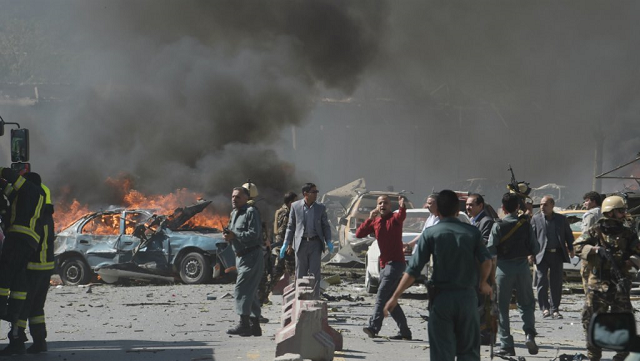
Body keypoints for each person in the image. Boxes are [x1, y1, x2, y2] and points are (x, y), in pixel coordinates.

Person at [384, 190, 492, 361]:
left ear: (438, 211)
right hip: (467, 300)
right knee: (469, 352)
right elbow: (487, 261)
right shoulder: (472, 233)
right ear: (458, 211)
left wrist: (395, 296)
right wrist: (484, 283)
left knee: (442, 352)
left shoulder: (431, 233)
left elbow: (413, 270)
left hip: (442, 301)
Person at [574, 195, 640, 361]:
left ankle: (621, 356)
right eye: (620, 211)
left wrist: (631, 260)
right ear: (610, 213)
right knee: (590, 319)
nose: (624, 214)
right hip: (597, 284)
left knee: (624, 322)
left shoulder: (628, 233)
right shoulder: (596, 231)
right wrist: (595, 250)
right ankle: (593, 355)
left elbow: (638, 253)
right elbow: (578, 247)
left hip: (620, 284)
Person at [1, 174, 54, 355]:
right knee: (36, 308)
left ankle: (16, 342)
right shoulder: (48, 217)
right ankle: (40, 342)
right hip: (46, 270)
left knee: (21, 307)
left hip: (32, 267)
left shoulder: (36, 218)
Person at [487, 193, 540, 357]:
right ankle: (529, 333)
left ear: (503, 207)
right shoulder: (525, 224)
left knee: (502, 307)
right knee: (526, 303)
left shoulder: (498, 225)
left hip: (503, 269)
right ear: (518, 207)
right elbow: (536, 248)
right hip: (522, 267)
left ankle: (506, 344)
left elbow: (490, 249)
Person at [356, 195, 412, 340]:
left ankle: (374, 327)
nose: (382, 205)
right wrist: (369, 218)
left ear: (390, 205)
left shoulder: (395, 219)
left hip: (396, 264)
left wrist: (402, 206)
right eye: (380, 203)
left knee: (381, 295)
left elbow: (401, 215)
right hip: (384, 265)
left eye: (385, 203)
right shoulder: (376, 221)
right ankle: (405, 331)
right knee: (389, 299)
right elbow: (359, 234)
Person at [0, 168, 45, 327]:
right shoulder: (35, 196)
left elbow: (12, 177)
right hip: (30, 243)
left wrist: (1, 171)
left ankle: (0, 306)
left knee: (5, 271)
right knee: (19, 278)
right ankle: (13, 312)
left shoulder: (29, 189)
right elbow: (10, 193)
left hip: (18, 237)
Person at [281, 183, 333, 298]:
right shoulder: (295, 206)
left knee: (315, 274)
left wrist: (328, 240)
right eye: (313, 192)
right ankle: (300, 298)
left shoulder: (320, 208)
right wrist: (286, 243)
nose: (316, 194)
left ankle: (314, 298)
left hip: (315, 244)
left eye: (316, 192)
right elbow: (291, 226)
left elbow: (325, 226)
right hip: (301, 243)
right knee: (300, 273)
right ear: (306, 194)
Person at [224, 186, 263, 337]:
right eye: (233, 196)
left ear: (246, 198)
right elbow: (232, 232)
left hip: (251, 255)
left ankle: (244, 325)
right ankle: (255, 326)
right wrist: (228, 236)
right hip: (240, 256)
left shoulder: (250, 212)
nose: (234, 199)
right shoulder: (234, 213)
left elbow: (254, 234)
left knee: (241, 289)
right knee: (250, 292)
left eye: (238, 197)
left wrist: (235, 235)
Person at [531, 195, 574, 319]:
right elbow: (531, 237)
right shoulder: (536, 219)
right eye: (541, 204)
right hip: (541, 255)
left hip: (557, 254)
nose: (542, 207)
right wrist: (530, 254)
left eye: (545, 204)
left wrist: (571, 249)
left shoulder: (561, 219)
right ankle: (544, 308)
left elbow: (568, 235)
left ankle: (555, 309)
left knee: (556, 282)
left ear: (552, 205)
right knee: (542, 281)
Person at [266, 192, 297, 298]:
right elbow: (283, 230)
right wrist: (289, 244)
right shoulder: (286, 213)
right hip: (285, 247)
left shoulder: (281, 211)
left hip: (282, 246)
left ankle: (262, 295)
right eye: (295, 201)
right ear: (290, 202)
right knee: (294, 273)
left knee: (276, 273)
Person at [580, 191, 603, 293]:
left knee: (587, 276)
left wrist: (580, 246)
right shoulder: (604, 212)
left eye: (586, 201)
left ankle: (590, 303)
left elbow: (586, 234)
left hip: (591, 251)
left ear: (593, 202)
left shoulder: (590, 214)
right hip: (603, 250)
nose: (584, 203)